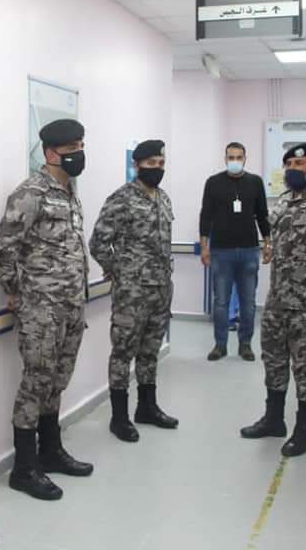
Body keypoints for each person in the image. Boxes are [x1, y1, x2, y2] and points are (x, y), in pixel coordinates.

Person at [0, 119, 93, 501]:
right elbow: (2, 248)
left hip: (71, 305)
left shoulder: (70, 192)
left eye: (81, 145)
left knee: (57, 380)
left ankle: (51, 450)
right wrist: (18, 292)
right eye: (71, 148)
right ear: (51, 153)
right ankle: (24, 467)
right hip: (41, 309)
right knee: (36, 383)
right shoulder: (30, 192)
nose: (79, 154)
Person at [240, 143, 306, 457]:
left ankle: (304, 431)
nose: (293, 170)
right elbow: (275, 239)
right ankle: (273, 419)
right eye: (289, 165)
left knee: (305, 366)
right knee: (273, 359)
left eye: (299, 164)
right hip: (278, 297)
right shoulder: (283, 200)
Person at [90, 139, 178, 443]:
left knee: (150, 351)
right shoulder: (121, 199)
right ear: (137, 165)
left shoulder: (163, 198)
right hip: (132, 292)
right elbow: (98, 243)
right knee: (123, 352)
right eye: (151, 163)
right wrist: (120, 271)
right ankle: (119, 417)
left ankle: (147, 407)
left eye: (161, 163)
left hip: (161, 289)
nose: (157, 168)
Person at [200, 142, 272, 362]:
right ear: (225, 159)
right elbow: (206, 215)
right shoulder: (213, 183)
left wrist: (268, 243)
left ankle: (245, 344)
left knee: (248, 303)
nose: (234, 161)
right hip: (221, 251)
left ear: (245, 159)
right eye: (231, 157)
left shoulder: (255, 182)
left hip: (249, 251)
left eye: (238, 157)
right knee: (221, 302)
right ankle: (220, 345)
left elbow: (262, 215)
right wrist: (204, 246)